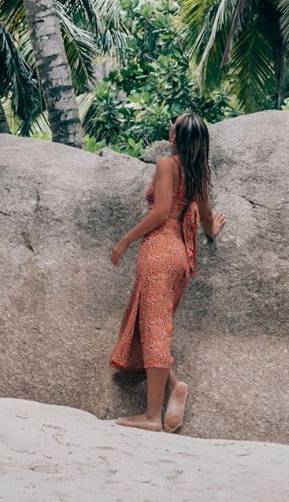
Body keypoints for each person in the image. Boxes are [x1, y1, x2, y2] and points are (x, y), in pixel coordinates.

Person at [108, 113, 225, 432]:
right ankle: (173, 387)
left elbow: (160, 212)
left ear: (177, 136)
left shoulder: (166, 165)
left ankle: (150, 417)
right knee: (151, 325)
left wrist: (124, 241)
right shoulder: (197, 171)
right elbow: (206, 217)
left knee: (155, 328)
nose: (171, 123)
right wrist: (213, 228)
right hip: (178, 257)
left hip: (158, 251)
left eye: (176, 122)